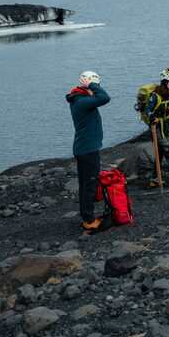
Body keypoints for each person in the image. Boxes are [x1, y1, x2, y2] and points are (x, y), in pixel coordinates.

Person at [67, 70, 111, 233]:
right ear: (87, 85)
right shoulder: (81, 101)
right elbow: (105, 98)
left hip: (86, 148)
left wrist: (91, 86)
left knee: (87, 184)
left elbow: (100, 97)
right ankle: (88, 220)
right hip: (87, 150)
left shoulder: (81, 99)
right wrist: (92, 84)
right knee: (89, 185)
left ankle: (88, 216)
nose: (96, 88)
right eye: (95, 85)